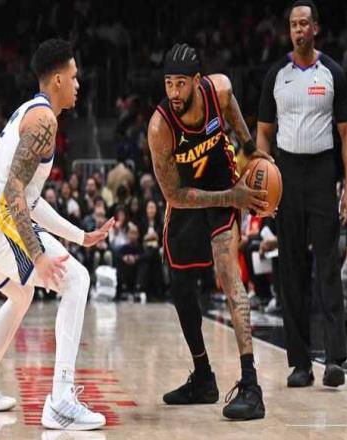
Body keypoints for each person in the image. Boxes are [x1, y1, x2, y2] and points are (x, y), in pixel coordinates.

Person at [0, 38, 114, 431]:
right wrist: (39, 256)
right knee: (76, 279)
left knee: (21, 295)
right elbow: (14, 194)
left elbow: (30, 199)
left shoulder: (31, 112)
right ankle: (61, 401)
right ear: (58, 79)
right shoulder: (44, 121)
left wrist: (80, 236)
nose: (78, 84)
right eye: (74, 77)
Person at [148, 42, 271, 420]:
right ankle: (203, 378)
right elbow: (174, 195)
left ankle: (251, 384)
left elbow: (232, 105)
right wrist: (231, 196)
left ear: (197, 81)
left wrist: (249, 146)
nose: (174, 92)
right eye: (168, 83)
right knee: (181, 291)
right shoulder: (160, 128)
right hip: (188, 199)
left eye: (181, 84)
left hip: (222, 183)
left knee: (228, 274)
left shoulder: (219, 90)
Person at [256, 0, 347, 388]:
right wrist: (264, 184)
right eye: (293, 24)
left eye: (304, 23)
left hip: (321, 171)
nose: (299, 30)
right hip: (286, 174)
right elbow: (264, 133)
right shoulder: (275, 75)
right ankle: (300, 363)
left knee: (327, 265)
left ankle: (334, 359)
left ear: (316, 28)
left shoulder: (333, 73)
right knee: (292, 269)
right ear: (290, 31)